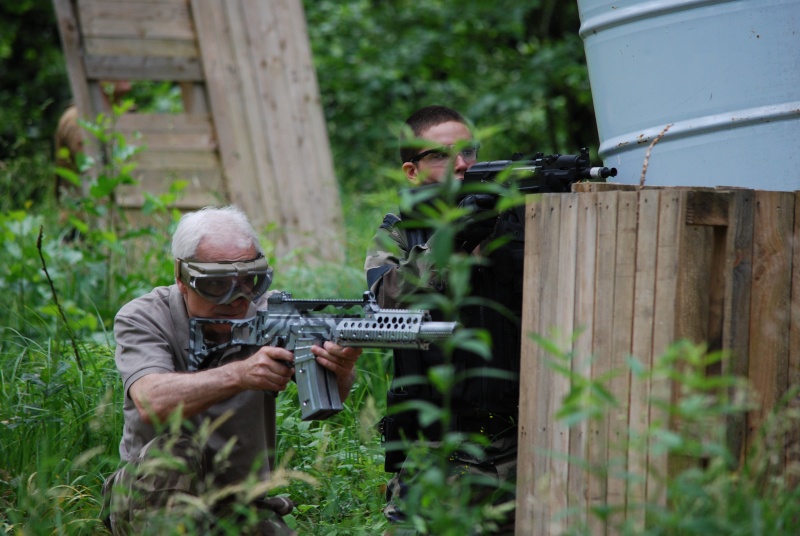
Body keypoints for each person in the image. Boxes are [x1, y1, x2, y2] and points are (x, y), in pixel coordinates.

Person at [102, 205, 362, 535]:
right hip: (149, 495)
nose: (237, 298)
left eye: (250, 282)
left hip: (239, 505)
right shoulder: (144, 317)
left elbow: (328, 406)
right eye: (217, 285)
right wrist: (240, 374)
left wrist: (340, 368)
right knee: (171, 453)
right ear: (182, 278)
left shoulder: (273, 316)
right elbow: (152, 402)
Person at [364, 105, 523, 533]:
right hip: (437, 452)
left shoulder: (515, 219)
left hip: (523, 442)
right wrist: (456, 235)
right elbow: (386, 301)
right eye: (440, 155)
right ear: (412, 172)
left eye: (469, 151)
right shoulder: (399, 233)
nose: (461, 165)